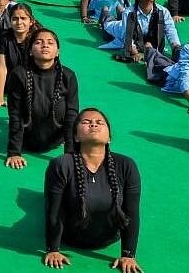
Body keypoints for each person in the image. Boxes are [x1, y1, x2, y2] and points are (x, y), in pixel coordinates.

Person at [42, 108, 142, 273]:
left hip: (108, 238)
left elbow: (131, 212)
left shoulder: (126, 165)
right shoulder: (61, 165)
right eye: (86, 122)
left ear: (109, 137)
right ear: (76, 136)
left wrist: (128, 254)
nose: (93, 125)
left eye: (99, 122)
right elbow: (54, 211)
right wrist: (53, 249)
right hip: (70, 237)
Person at [5, 28, 79, 169]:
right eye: (39, 42)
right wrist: (14, 152)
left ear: (57, 52)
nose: (45, 45)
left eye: (50, 43)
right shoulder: (19, 75)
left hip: (57, 139)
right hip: (26, 139)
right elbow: (15, 114)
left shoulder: (68, 76)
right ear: (31, 51)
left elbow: (71, 115)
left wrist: (71, 154)